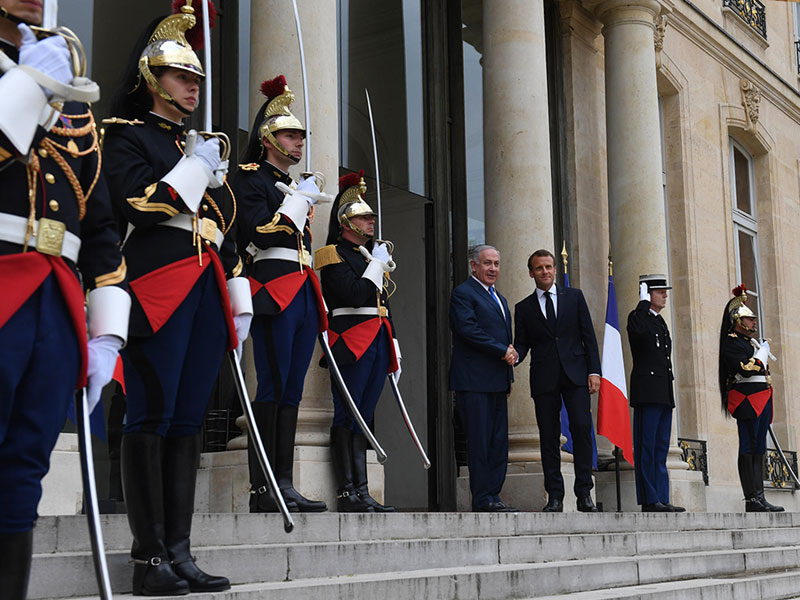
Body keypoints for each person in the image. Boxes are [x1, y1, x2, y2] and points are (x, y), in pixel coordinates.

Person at [102, 2, 250, 594]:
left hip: (205, 291)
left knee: (189, 421)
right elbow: (136, 203)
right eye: (181, 77)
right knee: (153, 413)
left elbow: (225, 226)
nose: (192, 87)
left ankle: (181, 551)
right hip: (156, 285)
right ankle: (148, 558)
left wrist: (235, 286)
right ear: (151, 79)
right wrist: (192, 170)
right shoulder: (125, 137)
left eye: (196, 79)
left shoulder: (200, 148)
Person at [0, 2, 130, 597]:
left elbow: (99, 222)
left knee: (27, 463)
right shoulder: (33, 76)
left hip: (56, 296)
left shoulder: (71, 94)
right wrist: (28, 84)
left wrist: (107, 328)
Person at [233, 74, 328, 513]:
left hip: (303, 290)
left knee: (292, 391)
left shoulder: (296, 184)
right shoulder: (250, 178)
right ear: (269, 137)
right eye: (291, 134)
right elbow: (256, 232)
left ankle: (283, 481)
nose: (299, 142)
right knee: (271, 387)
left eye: (301, 136)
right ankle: (262, 487)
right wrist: (295, 204)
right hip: (272, 289)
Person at [316, 172, 401, 512]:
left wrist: (394, 340)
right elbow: (351, 294)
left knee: (365, 415)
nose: (371, 222)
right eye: (365, 217)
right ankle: (347, 491)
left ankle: (363, 490)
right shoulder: (332, 255)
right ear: (346, 221)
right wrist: (375, 267)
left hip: (377, 337)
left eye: (371, 217)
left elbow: (384, 303)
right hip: (350, 340)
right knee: (348, 415)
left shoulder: (371, 256)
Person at [513, 249, 601, 513]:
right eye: (539, 268)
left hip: (576, 375)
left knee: (582, 430)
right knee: (548, 436)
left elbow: (589, 336)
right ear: (531, 273)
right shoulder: (524, 308)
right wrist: (511, 356)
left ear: (554, 268)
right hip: (544, 378)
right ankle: (555, 496)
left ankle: (584, 493)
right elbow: (522, 344)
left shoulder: (574, 297)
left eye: (549, 267)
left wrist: (594, 371)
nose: (546, 272)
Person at [449, 245, 518, 513]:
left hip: (497, 381)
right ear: (473, 266)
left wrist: (509, 374)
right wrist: (503, 351)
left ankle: (494, 495)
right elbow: (468, 330)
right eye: (487, 263)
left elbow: (506, 339)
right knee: (479, 441)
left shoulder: (500, 298)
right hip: (474, 381)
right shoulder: (463, 293)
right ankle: (482, 498)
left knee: (498, 441)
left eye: (496, 264)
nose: (493, 269)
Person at [719, 285, 783, 513]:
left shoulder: (748, 343)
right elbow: (745, 370)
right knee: (749, 446)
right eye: (749, 319)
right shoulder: (732, 343)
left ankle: (760, 496)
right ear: (738, 321)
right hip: (746, 401)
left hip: (761, 399)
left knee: (759, 448)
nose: (754, 322)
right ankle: (752, 498)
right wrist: (762, 354)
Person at [627, 274, 685, 512]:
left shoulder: (659, 321)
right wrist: (641, 305)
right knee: (647, 446)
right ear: (647, 293)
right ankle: (650, 499)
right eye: (660, 291)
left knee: (661, 447)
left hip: (662, 391)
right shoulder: (638, 317)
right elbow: (638, 335)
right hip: (647, 392)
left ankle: (661, 495)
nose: (665, 295)